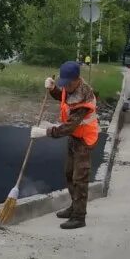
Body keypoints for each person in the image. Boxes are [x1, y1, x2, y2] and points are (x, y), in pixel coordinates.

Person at [31, 61, 100, 229]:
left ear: (77, 80)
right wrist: (53, 88)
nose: (65, 87)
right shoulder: (70, 88)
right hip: (74, 137)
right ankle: (74, 206)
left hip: (84, 140)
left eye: (67, 84)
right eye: (63, 83)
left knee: (79, 178)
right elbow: (62, 96)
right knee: (69, 173)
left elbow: (68, 127)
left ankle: (79, 217)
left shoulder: (84, 97)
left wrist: (45, 132)